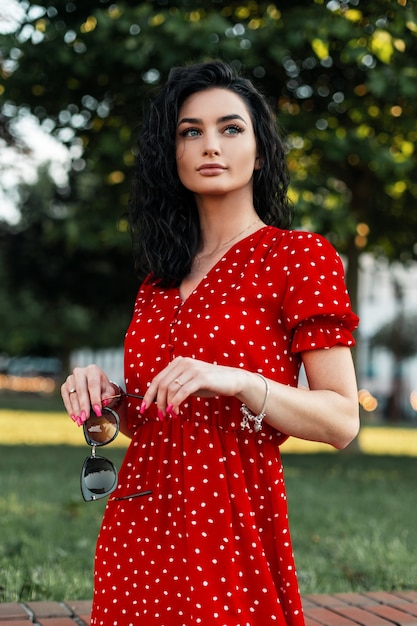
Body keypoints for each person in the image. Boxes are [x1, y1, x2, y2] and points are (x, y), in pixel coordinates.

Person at [61, 60, 360, 626]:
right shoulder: (157, 282)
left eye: (230, 128)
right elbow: (156, 420)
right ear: (171, 155)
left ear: (261, 151)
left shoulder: (297, 257)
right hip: (137, 521)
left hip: (229, 520)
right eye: (190, 132)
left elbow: (343, 421)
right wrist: (107, 400)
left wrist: (241, 381)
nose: (209, 146)